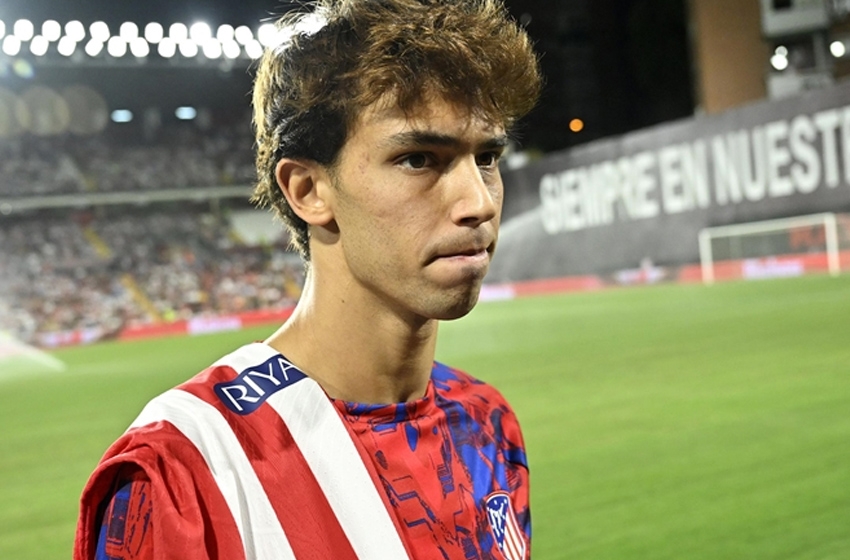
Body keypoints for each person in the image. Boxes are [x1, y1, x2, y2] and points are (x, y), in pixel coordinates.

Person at [74, 0, 541, 558]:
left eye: (486, 157)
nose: (479, 202)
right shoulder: (186, 471)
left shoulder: (486, 423)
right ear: (309, 191)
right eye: (419, 159)